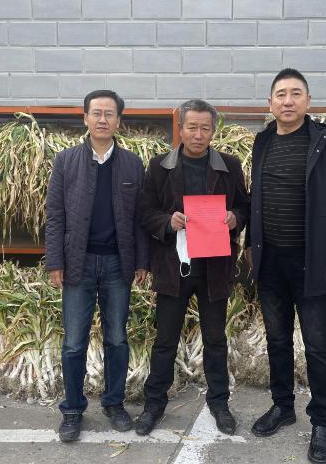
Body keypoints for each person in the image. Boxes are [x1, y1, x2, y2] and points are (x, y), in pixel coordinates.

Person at [245, 69, 326, 463]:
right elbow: (256, 198)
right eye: (280, 94)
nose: (287, 101)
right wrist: (251, 245)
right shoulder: (262, 142)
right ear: (270, 103)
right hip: (270, 260)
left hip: (311, 262)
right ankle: (283, 406)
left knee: (317, 346)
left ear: (308, 101)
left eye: (295, 94)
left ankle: (321, 422)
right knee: (277, 339)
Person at [134, 99, 250, 436]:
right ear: (180, 129)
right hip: (175, 267)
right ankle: (154, 405)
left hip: (214, 268)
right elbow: (145, 213)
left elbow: (245, 206)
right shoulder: (160, 167)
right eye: (192, 127)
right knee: (165, 341)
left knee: (215, 339)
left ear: (213, 131)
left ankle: (219, 403)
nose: (198, 134)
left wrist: (235, 218)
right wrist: (167, 222)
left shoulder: (229, 166)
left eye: (205, 128)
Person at [45, 89, 149, 442]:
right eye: (96, 113)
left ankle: (114, 403)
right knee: (74, 342)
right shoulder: (66, 161)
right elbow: (55, 215)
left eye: (109, 114)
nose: (102, 119)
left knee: (117, 338)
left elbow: (140, 219)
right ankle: (72, 409)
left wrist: (142, 261)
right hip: (79, 262)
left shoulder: (132, 164)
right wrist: (55, 261)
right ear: (85, 119)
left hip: (118, 264)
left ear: (119, 121)